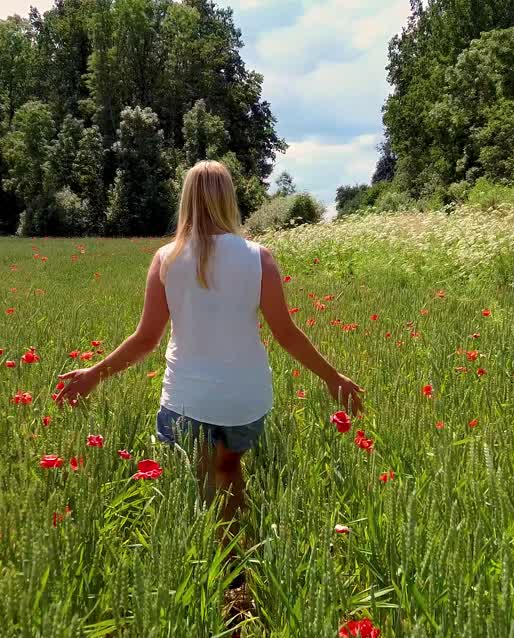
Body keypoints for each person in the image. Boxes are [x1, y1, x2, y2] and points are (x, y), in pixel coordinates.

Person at [55, 160, 362, 545]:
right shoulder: (259, 257)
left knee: (194, 485)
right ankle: (234, 559)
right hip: (245, 400)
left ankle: (200, 566)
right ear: (228, 200)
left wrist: (91, 375)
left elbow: (146, 339)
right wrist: (334, 378)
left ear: (187, 200)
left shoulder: (166, 259)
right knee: (229, 470)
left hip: (188, 399)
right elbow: (286, 333)